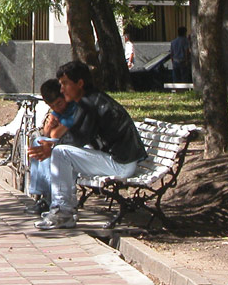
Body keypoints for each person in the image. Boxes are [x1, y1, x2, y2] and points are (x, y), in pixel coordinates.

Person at [29, 60, 146, 230]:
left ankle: (63, 212)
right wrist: (51, 146)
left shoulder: (90, 103)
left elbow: (78, 138)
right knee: (61, 152)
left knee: (62, 153)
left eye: (65, 84)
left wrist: (51, 148)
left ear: (80, 83)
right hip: (118, 159)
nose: (61, 90)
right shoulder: (90, 99)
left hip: (121, 163)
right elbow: (77, 136)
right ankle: (60, 207)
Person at [25, 79, 79, 215]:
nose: (57, 108)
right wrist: (48, 126)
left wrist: (52, 130)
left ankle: (50, 197)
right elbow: (47, 132)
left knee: (47, 147)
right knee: (39, 141)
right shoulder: (58, 110)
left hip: (77, 148)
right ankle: (43, 194)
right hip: (64, 145)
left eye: (59, 103)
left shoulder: (73, 108)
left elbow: (56, 134)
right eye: (52, 106)